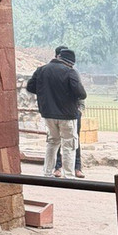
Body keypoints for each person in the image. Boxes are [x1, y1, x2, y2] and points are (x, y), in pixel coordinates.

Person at [26, 47, 87, 178]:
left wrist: (45, 93)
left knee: (52, 143)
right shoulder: (70, 72)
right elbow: (81, 93)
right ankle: (69, 175)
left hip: (48, 114)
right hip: (67, 114)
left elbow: (30, 86)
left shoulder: (41, 70)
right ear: (70, 62)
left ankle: (47, 173)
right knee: (69, 144)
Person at [51, 45, 85, 178]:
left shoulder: (72, 72)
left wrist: (80, 109)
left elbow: (80, 92)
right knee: (56, 140)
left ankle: (77, 167)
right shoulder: (52, 72)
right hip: (56, 111)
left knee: (74, 140)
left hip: (72, 111)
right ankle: (57, 167)